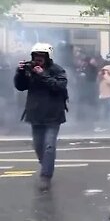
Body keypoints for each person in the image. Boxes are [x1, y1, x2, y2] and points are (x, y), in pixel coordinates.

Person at [14, 43, 68, 191]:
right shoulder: (29, 69)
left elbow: (60, 86)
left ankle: (45, 176)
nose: (38, 60)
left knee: (49, 146)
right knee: (39, 147)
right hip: (35, 113)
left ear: (48, 57)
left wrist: (42, 75)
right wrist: (19, 72)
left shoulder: (57, 70)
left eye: (41, 57)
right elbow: (20, 86)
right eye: (36, 56)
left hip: (53, 114)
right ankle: (46, 165)